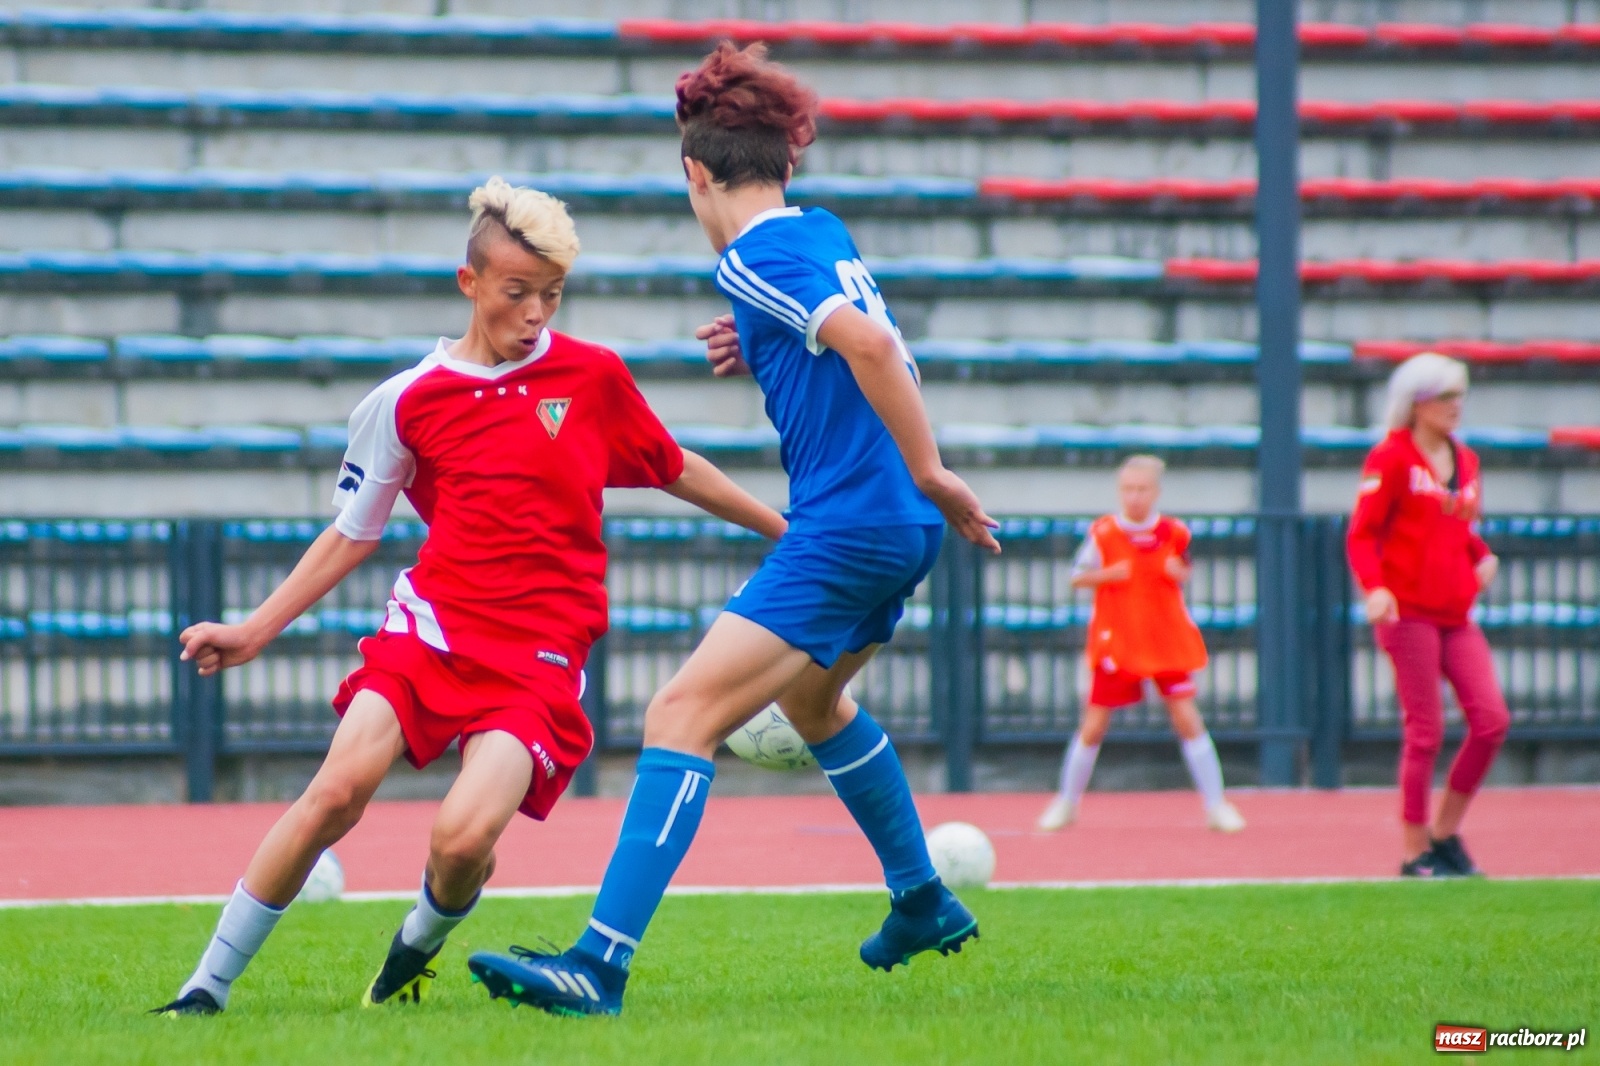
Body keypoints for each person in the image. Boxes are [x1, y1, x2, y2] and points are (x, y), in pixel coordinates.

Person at [151, 177, 788, 1016]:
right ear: (470, 283)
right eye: (518, 293)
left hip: (540, 655)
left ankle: (410, 952)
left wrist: (784, 532)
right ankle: (205, 990)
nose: (536, 313)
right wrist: (255, 629)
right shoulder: (406, 400)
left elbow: (673, 467)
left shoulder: (590, 376)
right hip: (432, 630)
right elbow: (353, 531)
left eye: (551, 296)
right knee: (334, 793)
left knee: (461, 842)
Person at [467, 42, 1001, 1017]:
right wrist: (768, 346)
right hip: (900, 526)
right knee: (812, 708)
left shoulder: (746, 255)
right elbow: (859, 338)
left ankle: (599, 962)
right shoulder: (817, 230)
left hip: (851, 523)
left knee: (680, 716)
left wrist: (934, 467)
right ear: (787, 163)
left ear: (693, 171)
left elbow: (870, 344)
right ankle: (921, 898)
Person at [1347, 352, 1509, 878]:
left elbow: (1456, 528)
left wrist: (1480, 554)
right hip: (1408, 610)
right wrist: (1375, 588)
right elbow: (1364, 532)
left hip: (1455, 610)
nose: (1455, 406)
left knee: (1490, 720)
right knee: (1426, 730)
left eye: (1459, 395)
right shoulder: (1391, 458)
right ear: (1416, 404)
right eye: (1444, 397)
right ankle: (1415, 849)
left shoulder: (1467, 461)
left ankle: (1446, 831)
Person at [1036, 456, 1246, 834]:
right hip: (1118, 640)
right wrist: (1107, 575)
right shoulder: (1104, 533)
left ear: (1156, 492)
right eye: (1128, 489)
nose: (1134, 497)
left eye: (1142, 489)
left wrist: (1177, 573)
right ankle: (1066, 802)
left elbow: (1185, 568)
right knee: (1094, 724)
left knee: (1186, 718)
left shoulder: (1174, 532)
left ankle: (1217, 806)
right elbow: (1076, 577)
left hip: (1164, 639)